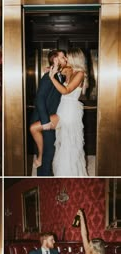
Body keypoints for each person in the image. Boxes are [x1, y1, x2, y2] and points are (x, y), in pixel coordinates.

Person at [49, 48, 88, 176]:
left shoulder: (80, 73)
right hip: (63, 107)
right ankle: (61, 170)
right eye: (65, 57)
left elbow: (66, 91)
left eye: (67, 57)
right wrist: (50, 68)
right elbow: (58, 67)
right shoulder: (70, 70)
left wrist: (51, 78)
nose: (65, 59)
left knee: (69, 142)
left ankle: (68, 172)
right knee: (61, 140)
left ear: (74, 59)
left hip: (71, 109)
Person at [29, 50, 67, 176]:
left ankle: (44, 173)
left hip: (50, 116)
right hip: (43, 118)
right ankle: (44, 175)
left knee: (49, 150)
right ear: (55, 60)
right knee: (48, 151)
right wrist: (45, 121)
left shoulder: (59, 75)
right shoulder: (48, 76)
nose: (66, 59)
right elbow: (39, 98)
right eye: (62, 57)